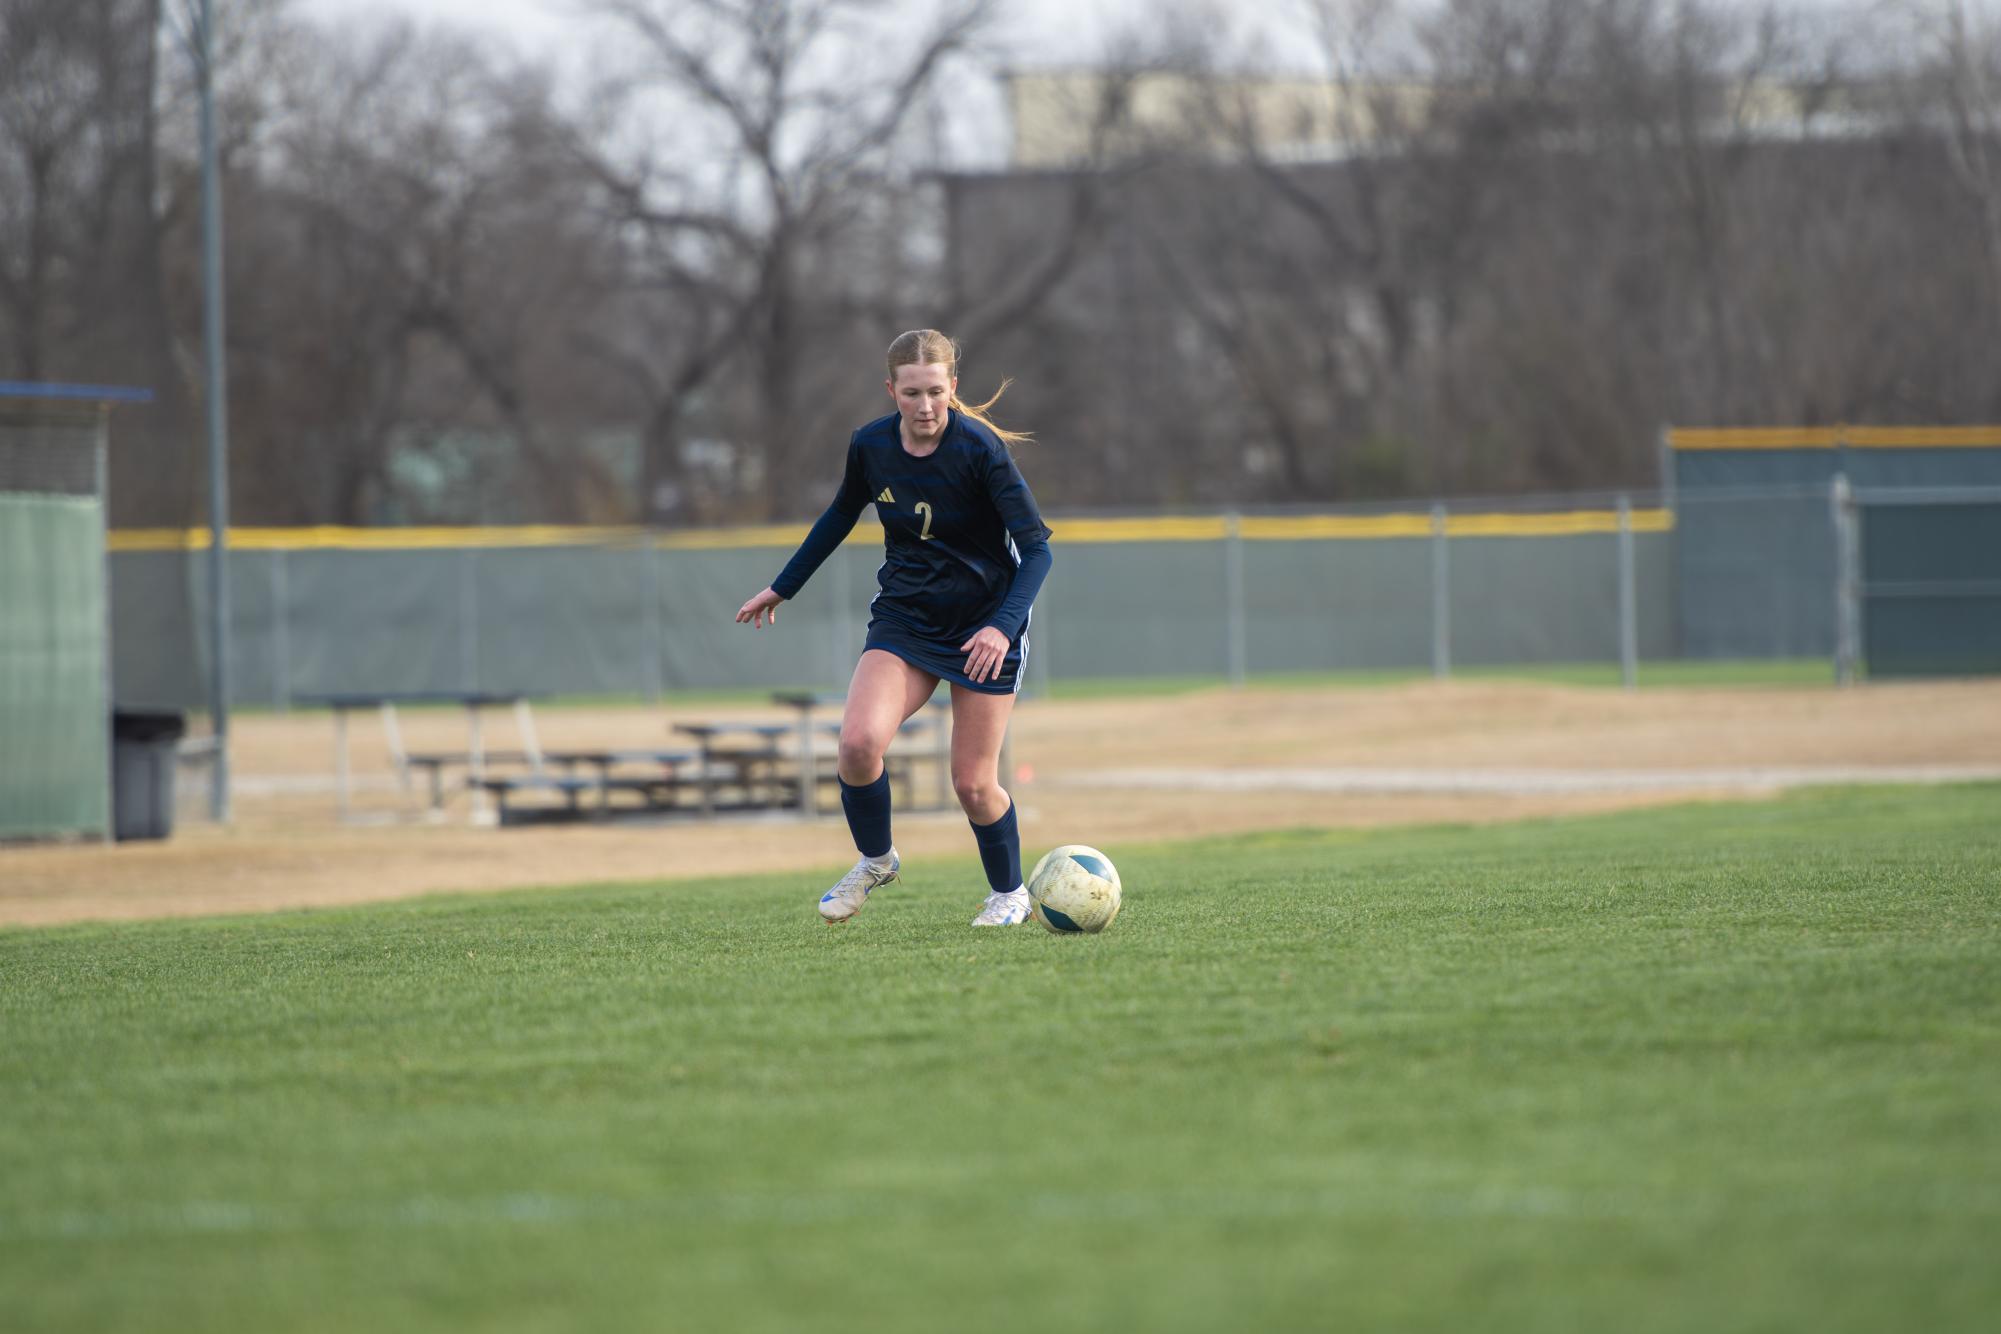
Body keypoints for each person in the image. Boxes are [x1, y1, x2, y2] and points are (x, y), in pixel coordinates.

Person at [735, 329, 1053, 926]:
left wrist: (1003, 628)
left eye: (936, 391)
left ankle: (1009, 893)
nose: (925, 406)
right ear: (891, 391)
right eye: (912, 393)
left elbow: (1036, 551)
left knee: (974, 785)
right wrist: (784, 585)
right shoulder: (871, 446)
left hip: (986, 624)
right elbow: (838, 515)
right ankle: (877, 860)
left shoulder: (981, 450)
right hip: (906, 618)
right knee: (857, 746)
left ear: (953, 388)